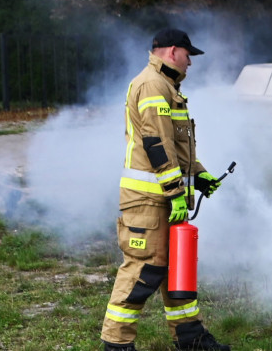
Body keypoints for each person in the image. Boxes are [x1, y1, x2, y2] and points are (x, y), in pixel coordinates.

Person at [101, 29, 230, 351]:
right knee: (144, 269)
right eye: (189, 55)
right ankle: (116, 343)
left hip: (163, 197)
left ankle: (191, 337)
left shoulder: (167, 86)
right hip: (148, 200)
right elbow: (156, 144)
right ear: (173, 51)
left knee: (177, 270)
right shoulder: (152, 85)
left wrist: (199, 177)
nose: (191, 63)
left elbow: (176, 147)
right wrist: (175, 192)